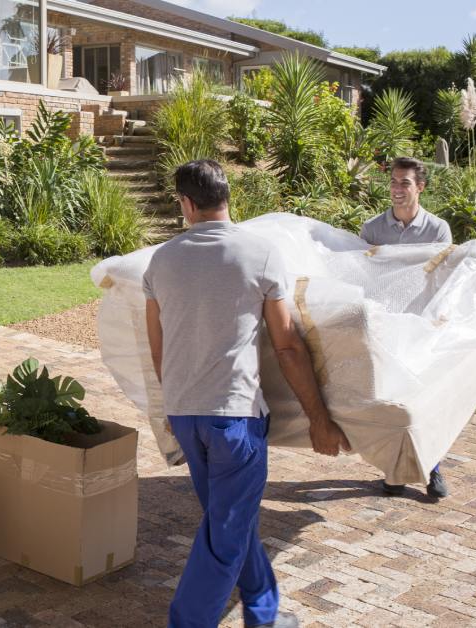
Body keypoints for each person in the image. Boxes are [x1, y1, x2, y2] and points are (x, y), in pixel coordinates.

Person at [144, 160, 350, 628]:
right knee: (226, 534)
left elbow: (158, 350)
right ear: (226, 199)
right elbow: (288, 346)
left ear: (187, 204)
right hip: (234, 418)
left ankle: (264, 611)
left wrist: (173, 407)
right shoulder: (259, 252)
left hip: (185, 414)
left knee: (230, 520)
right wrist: (318, 416)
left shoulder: (161, 259)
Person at [359, 157, 452, 499]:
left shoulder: (437, 230)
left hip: (421, 326)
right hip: (385, 326)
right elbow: (365, 277)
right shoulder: (372, 229)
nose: (397, 190)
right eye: (394, 182)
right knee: (392, 400)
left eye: (405, 183)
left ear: (420, 187)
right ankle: (395, 472)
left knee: (424, 398)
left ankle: (433, 469)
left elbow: (441, 280)